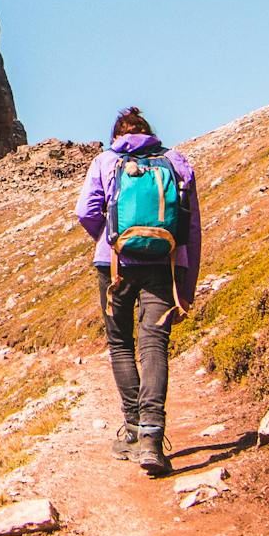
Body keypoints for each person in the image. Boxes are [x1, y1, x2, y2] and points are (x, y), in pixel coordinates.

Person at [73, 107, 202, 475]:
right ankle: (151, 438)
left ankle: (132, 430)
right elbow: (190, 228)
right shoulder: (175, 162)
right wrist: (186, 285)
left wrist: (109, 239)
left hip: (113, 266)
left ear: (116, 135)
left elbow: (86, 211)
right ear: (149, 133)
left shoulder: (105, 161)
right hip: (163, 266)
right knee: (154, 345)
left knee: (120, 343)